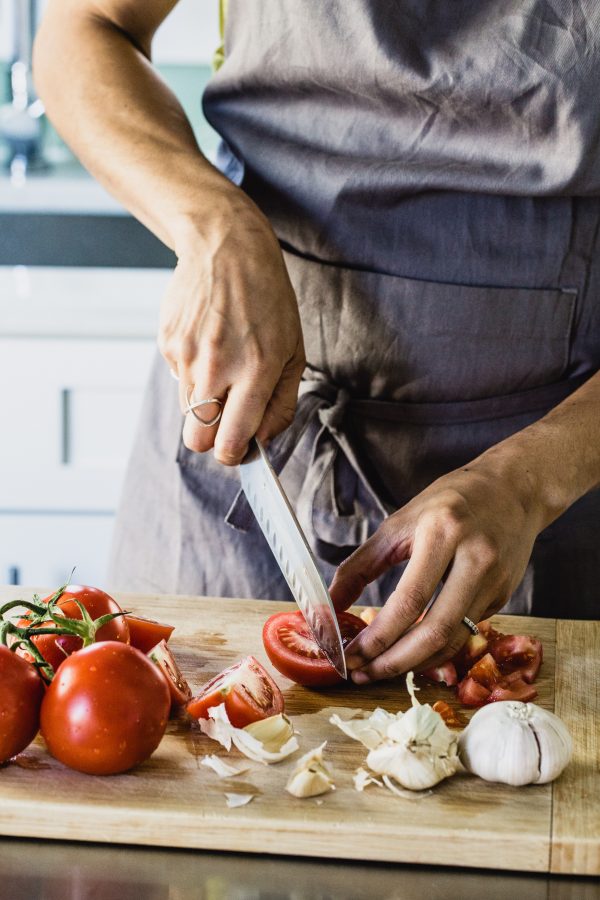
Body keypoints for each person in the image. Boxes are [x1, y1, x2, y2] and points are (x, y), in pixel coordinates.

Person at [34, 1, 600, 686]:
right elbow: (86, 24)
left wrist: (531, 480)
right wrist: (213, 225)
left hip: (552, 469)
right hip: (240, 431)